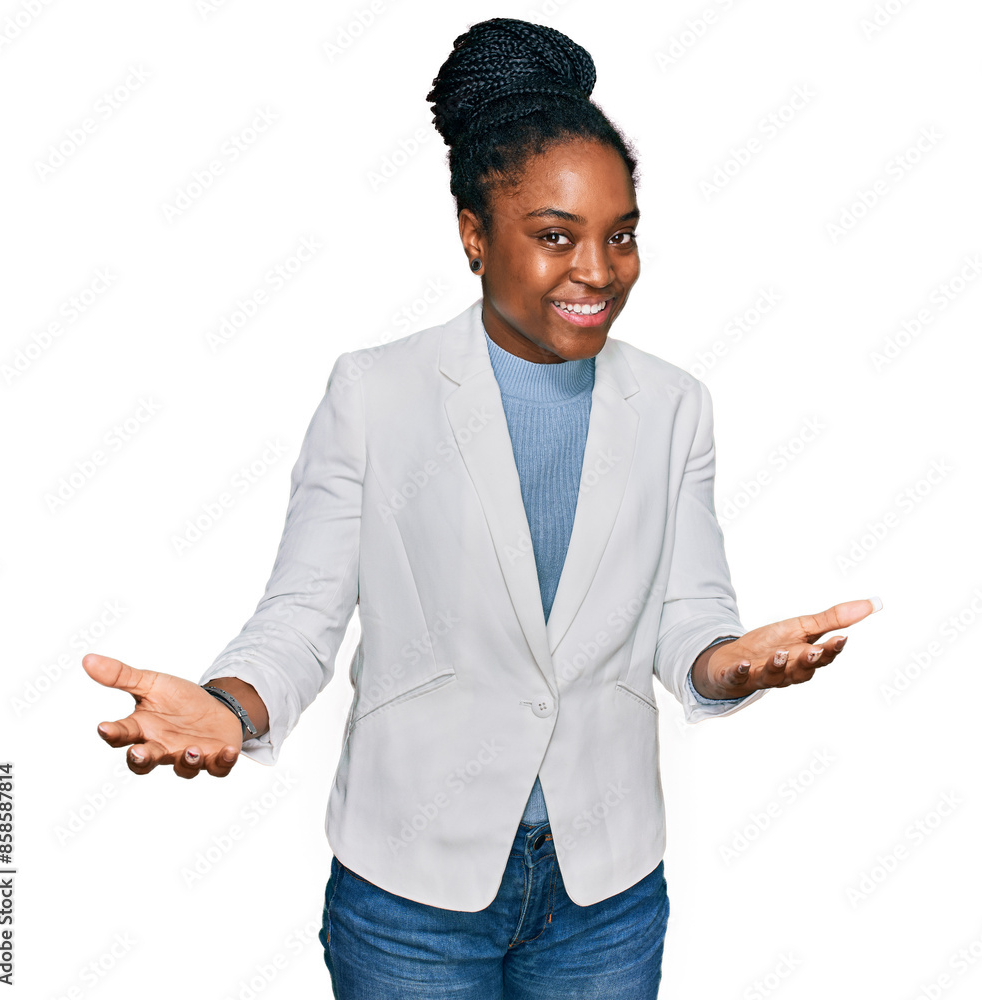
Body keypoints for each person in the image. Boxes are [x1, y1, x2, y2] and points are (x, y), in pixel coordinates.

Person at [83, 17, 882, 999]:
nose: (597, 270)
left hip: (607, 894)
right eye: (556, 236)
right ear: (474, 233)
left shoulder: (676, 405)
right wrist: (228, 703)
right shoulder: (374, 393)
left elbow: (689, 617)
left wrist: (735, 663)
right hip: (410, 893)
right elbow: (302, 618)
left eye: (619, 235)